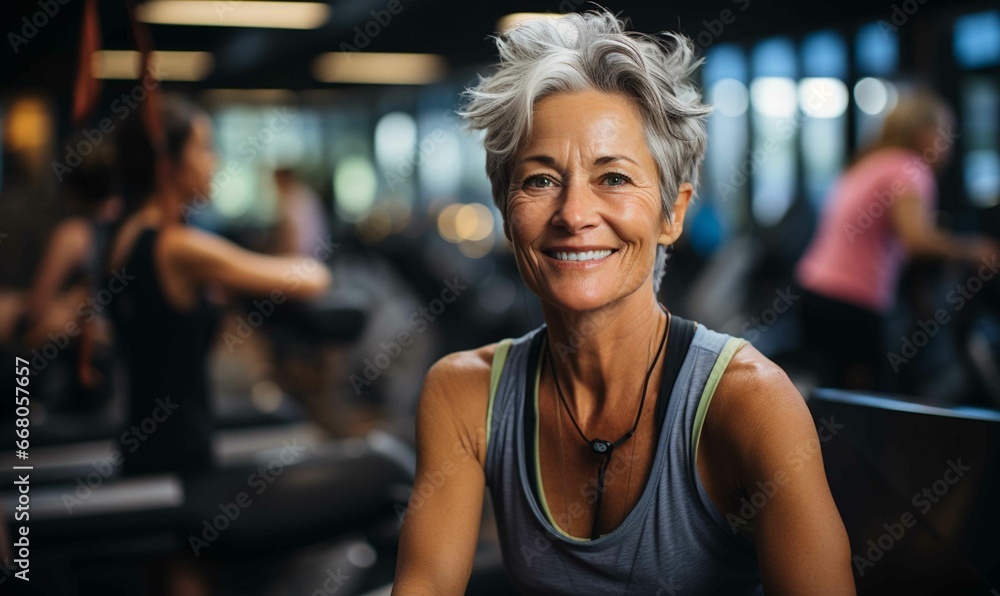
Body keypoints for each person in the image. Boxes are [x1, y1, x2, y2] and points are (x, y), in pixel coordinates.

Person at [393, 11, 854, 595]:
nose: (574, 214)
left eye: (613, 178)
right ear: (505, 208)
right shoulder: (463, 394)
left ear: (673, 213)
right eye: (539, 180)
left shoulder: (750, 402)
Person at [795, 90, 998, 390]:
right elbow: (916, 239)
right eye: (943, 131)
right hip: (851, 300)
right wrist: (974, 249)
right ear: (922, 132)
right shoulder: (909, 169)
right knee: (867, 404)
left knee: (837, 397)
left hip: (814, 290)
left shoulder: (869, 163)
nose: (948, 143)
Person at [16, 136, 122, 412]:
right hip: (118, 364)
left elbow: (35, 310)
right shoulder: (128, 228)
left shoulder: (73, 234)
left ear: (71, 190)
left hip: (78, 366)